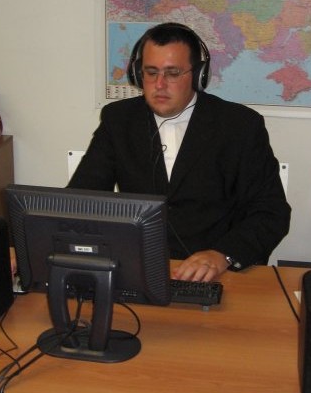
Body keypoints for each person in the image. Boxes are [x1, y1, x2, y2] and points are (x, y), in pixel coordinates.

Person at [68, 22, 291, 282]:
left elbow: (271, 212)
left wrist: (223, 255)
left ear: (198, 75)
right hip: (137, 270)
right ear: (138, 74)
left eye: (172, 73)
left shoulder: (240, 126)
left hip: (216, 276)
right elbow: (82, 199)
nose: (159, 84)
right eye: (151, 72)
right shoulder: (119, 120)